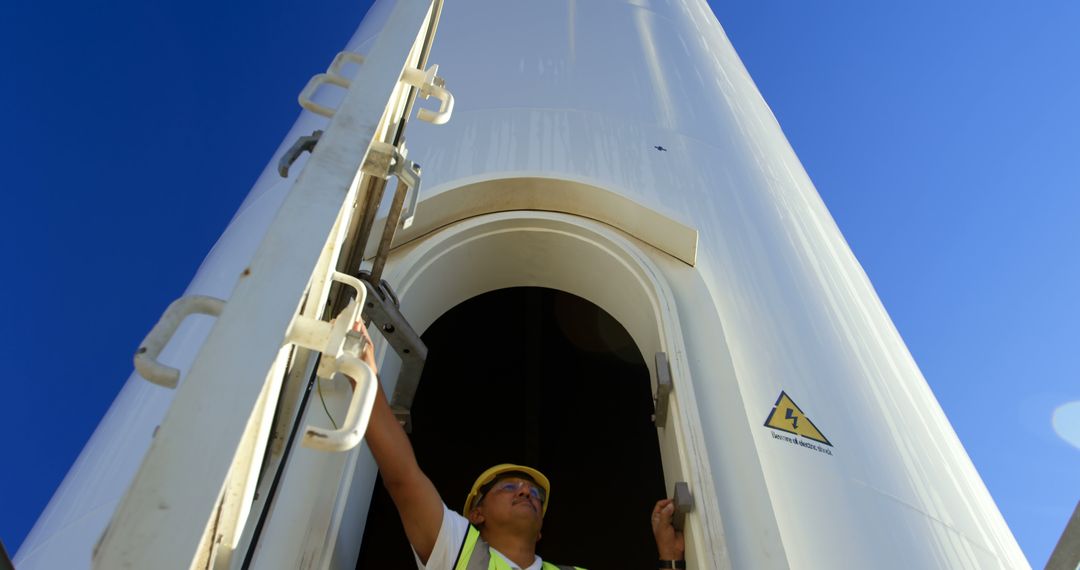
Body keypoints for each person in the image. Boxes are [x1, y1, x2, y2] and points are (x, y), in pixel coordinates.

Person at [356, 324, 686, 569]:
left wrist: (669, 557)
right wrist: (364, 372)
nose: (526, 492)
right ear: (476, 513)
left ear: (541, 529)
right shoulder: (458, 551)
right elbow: (403, 478)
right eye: (510, 486)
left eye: (535, 494)